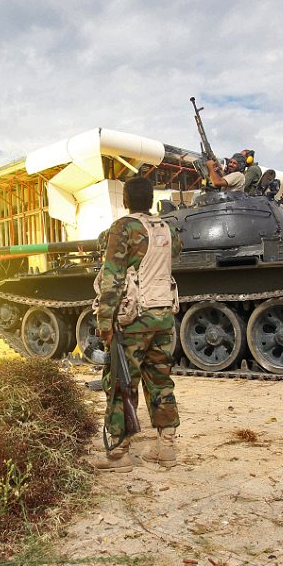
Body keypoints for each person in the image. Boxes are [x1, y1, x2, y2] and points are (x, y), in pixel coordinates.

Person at [89, 176, 183, 472]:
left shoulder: (122, 228)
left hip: (133, 319)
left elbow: (113, 279)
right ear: (152, 199)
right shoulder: (167, 229)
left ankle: (118, 454)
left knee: (121, 383)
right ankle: (165, 449)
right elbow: (175, 251)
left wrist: (105, 323)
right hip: (164, 316)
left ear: (126, 201)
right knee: (160, 380)